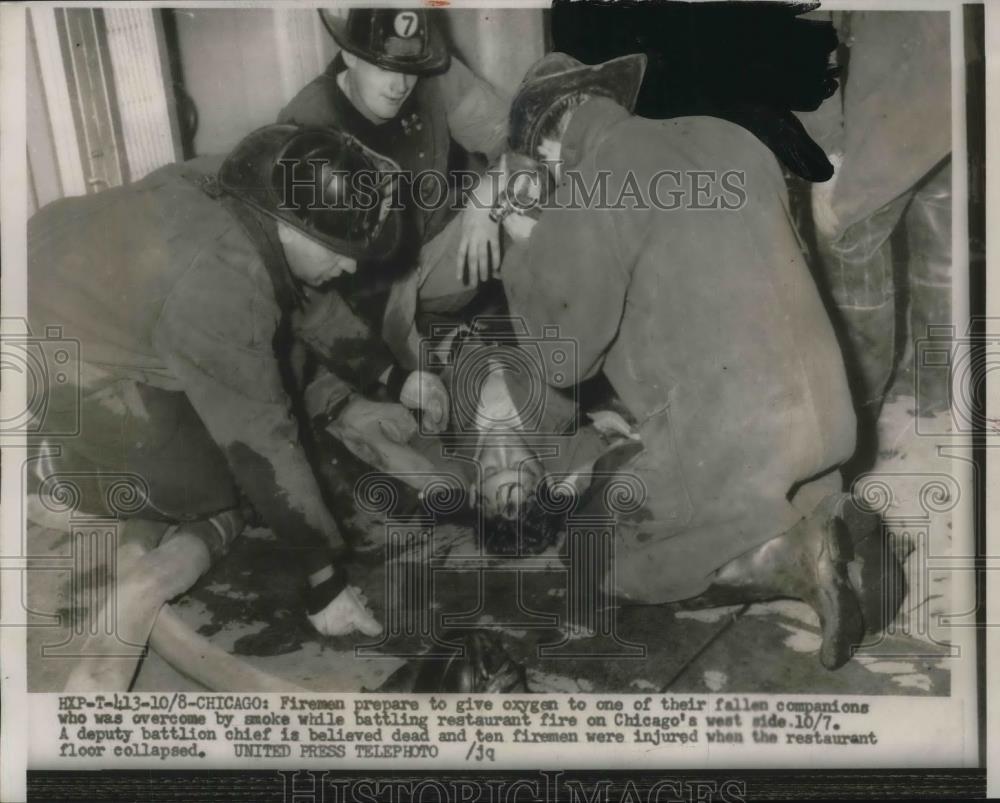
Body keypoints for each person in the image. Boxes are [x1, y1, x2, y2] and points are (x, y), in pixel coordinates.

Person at [479, 53, 905, 670]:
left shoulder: (595, 177)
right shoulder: (728, 137)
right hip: (831, 425)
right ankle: (831, 527)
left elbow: (559, 357)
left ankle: (788, 558)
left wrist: (525, 251)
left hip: (738, 446)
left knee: (595, 554)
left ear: (549, 144)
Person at [28, 124, 451, 650]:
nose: (350, 266)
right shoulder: (222, 288)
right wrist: (325, 583)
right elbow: (261, 443)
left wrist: (393, 374)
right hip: (51, 343)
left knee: (270, 364)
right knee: (218, 484)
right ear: (290, 227)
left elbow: (303, 289)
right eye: (340, 251)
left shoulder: (263, 181)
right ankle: (54, 465)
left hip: (71, 266)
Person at [279, 8, 513, 369]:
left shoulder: (434, 74)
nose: (399, 84)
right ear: (350, 55)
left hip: (439, 246)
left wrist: (487, 198)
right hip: (365, 287)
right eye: (383, 65)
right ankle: (431, 344)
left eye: (409, 68)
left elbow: (518, 136)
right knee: (406, 393)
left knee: (534, 199)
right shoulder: (306, 126)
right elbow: (306, 288)